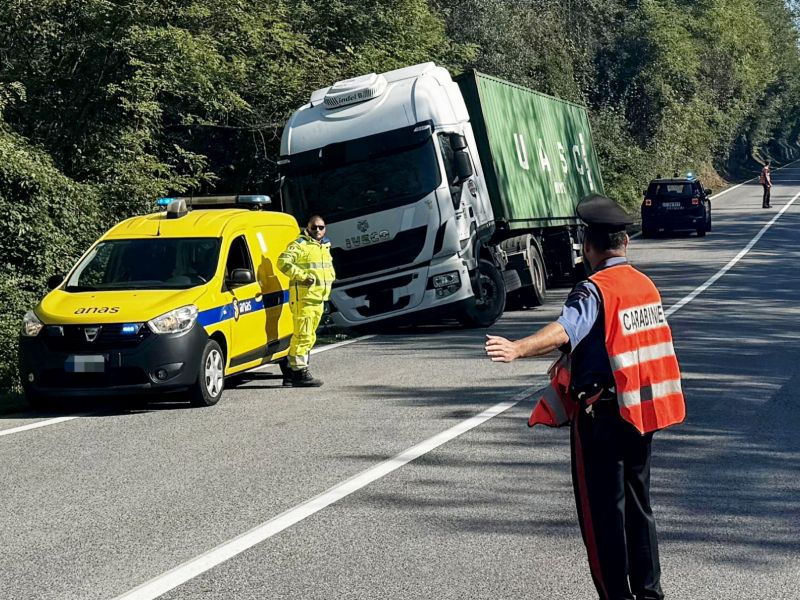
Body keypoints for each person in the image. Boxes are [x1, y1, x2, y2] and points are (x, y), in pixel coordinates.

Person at [485, 194, 686, 600]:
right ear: (625, 242)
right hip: (641, 413)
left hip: (603, 419)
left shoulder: (594, 289)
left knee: (602, 517)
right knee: (639, 507)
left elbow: (566, 329)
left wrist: (518, 348)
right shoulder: (644, 286)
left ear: (588, 246)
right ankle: (650, 594)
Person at [277, 215, 336, 387]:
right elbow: (282, 262)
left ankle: (291, 373)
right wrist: (302, 276)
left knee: (309, 336)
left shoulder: (324, 246)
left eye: (321, 227)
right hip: (304, 299)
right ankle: (299, 373)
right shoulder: (300, 244)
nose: (317, 230)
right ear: (307, 228)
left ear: (325, 228)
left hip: (319, 298)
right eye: (314, 227)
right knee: (302, 336)